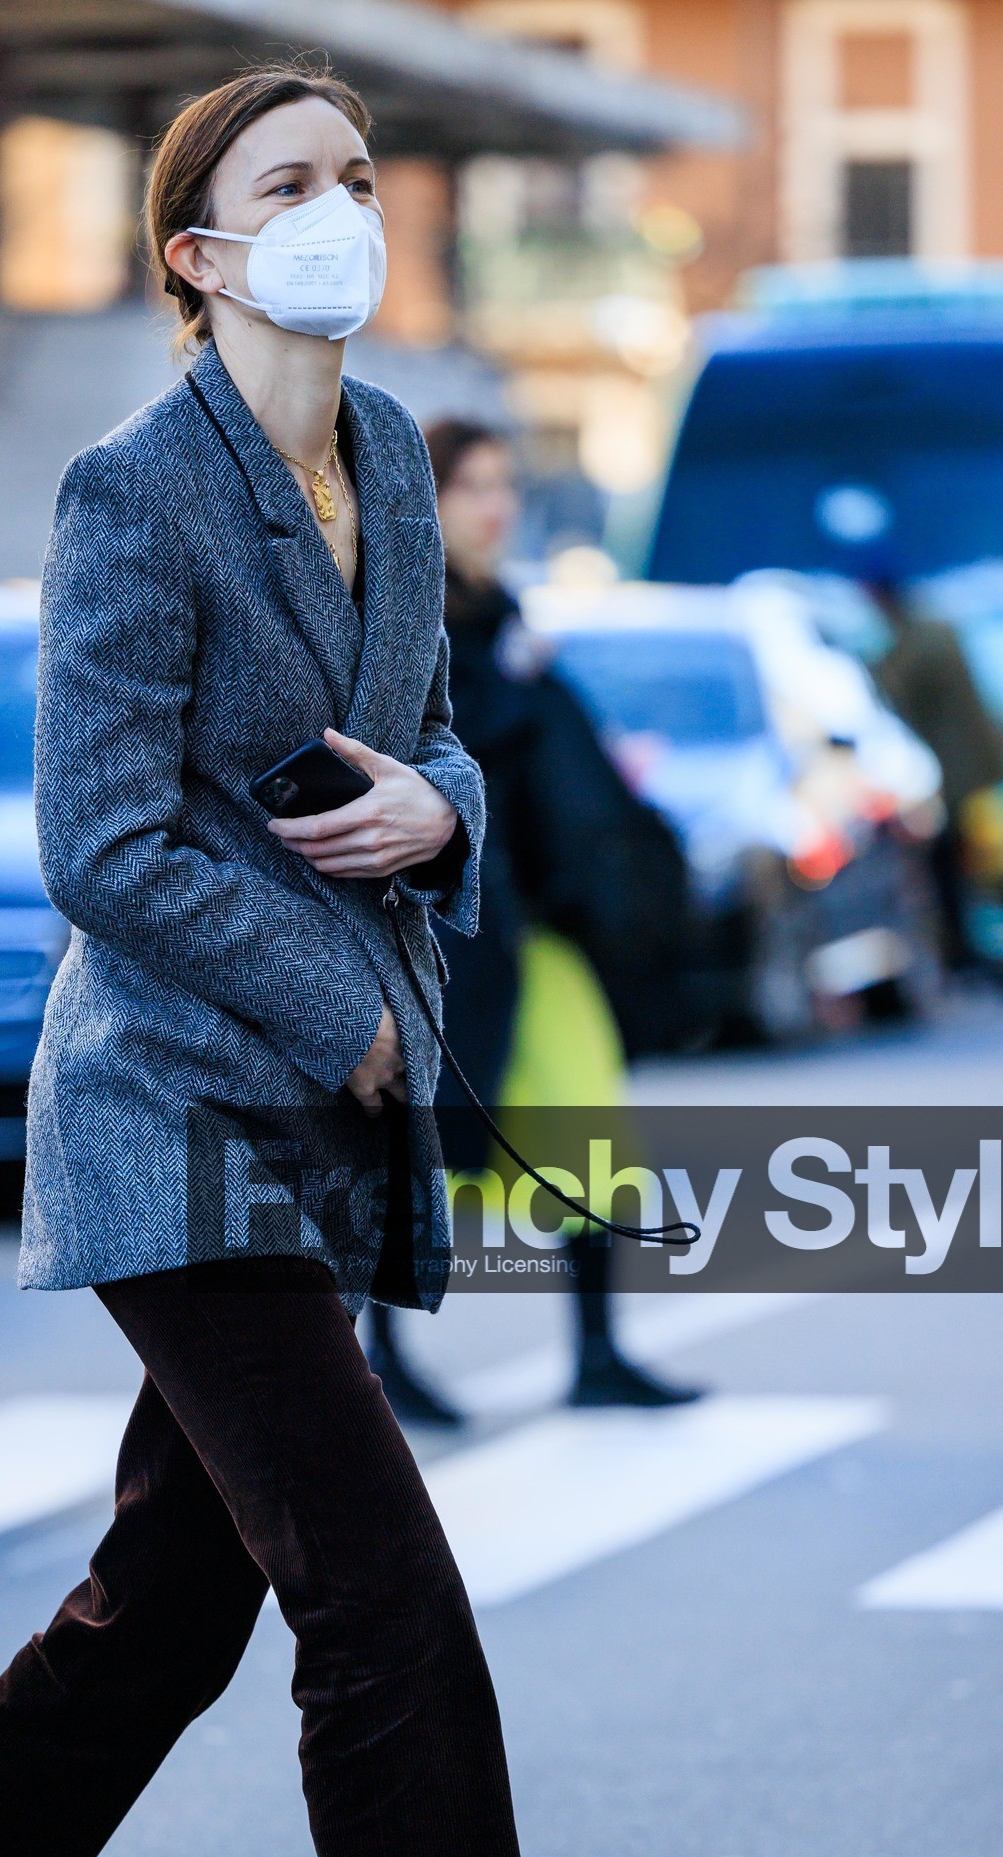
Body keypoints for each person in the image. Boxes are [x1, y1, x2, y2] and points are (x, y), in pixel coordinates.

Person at [0, 68, 636, 1857]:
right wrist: (342, 1006)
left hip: (316, 1119)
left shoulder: (382, 460)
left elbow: (425, 739)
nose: (342, 208)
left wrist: (442, 811)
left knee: (164, 1605)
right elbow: (101, 837)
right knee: (380, 1592)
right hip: (176, 1111)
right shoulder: (128, 488)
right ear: (199, 253)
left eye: (359, 174)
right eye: (292, 184)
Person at [365, 420, 701, 1425]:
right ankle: (378, 1360)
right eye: (470, 486)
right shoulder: (409, 622)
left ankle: (596, 1350)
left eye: (504, 483)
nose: (495, 505)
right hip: (449, 934)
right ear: (424, 503)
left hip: (534, 931)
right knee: (411, 1150)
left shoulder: (502, 617)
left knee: (587, 1131)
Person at [868, 577, 1003, 967]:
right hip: (971, 770)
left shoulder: (917, 645)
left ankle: (962, 951)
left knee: (950, 867)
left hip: (951, 775)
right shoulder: (937, 632)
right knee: (964, 864)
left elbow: (895, 693)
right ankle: (970, 948)